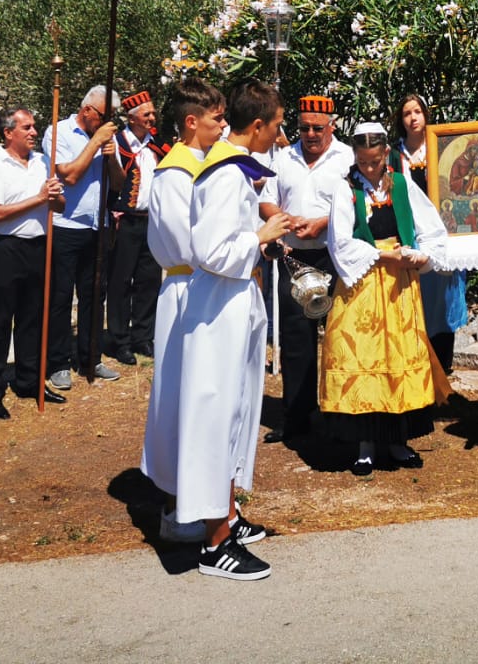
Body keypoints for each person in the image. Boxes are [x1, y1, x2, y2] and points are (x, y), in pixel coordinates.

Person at [182, 81, 290, 580]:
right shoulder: (226, 174)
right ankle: (214, 544)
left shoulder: (234, 169)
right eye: (277, 125)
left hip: (233, 302)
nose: (280, 134)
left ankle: (225, 517)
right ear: (258, 126)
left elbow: (232, 241)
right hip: (218, 309)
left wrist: (261, 244)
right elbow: (211, 250)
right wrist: (259, 236)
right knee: (217, 414)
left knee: (234, 413)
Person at [320, 121, 450, 477]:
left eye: (375, 162)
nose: (369, 168)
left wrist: (421, 254)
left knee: (399, 357)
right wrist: (382, 255)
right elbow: (340, 241)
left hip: (399, 286)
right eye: (362, 162)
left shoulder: (403, 185)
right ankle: (365, 446)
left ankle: (398, 441)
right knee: (365, 357)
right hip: (362, 284)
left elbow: (432, 229)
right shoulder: (346, 188)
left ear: (386, 154)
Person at [142, 78, 226, 545]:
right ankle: (179, 506)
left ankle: (212, 503)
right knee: (183, 394)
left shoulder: (205, 164)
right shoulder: (175, 173)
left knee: (205, 394)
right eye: (216, 118)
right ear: (191, 122)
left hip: (205, 285)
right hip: (186, 287)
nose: (223, 126)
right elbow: (186, 240)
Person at [262, 95, 352, 446]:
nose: (311, 135)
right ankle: (297, 418)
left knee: (341, 337)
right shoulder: (284, 157)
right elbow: (266, 201)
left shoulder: (346, 157)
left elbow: (357, 203)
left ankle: (342, 416)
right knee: (296, 340)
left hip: (335, 257)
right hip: (294, 258)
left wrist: (322, 223)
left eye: (318, 128)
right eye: (304, 128)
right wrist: (288, 220)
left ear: (332, 126)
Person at [0, 108, 66, 419]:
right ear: (8, 132)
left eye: (34, 126)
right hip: (7, 248)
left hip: (40, 245)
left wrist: (54, 196)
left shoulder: (43, 162)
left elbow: (60, 205)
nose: (34, 132)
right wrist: (39, 198)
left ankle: (29, 380)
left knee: (33, 318)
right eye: (27, 127)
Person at [45, 86, 123, 389]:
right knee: (61, 296)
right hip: (66, 225)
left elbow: (118, 183)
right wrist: (96, 143)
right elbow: (70, 175)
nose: (107, 122)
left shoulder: (105, 137)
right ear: (87, 110)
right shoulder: (59, 133)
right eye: (104, 116)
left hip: (97, 225)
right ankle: (58, 362)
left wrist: (112, 158)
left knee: (94, 296)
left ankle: (91, 358)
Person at [396, 94, 466, 375]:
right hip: (410, 233)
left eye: (417, 111)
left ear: (426, 114)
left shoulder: (442, 150)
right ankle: (416, 363)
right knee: (416, 297)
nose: (413, 118)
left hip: (442, 231)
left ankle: (442, 366)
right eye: (407, 113)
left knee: (443, 299)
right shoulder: (395, 155)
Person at [104, 91, 163, 365]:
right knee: (120, 281)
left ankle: (143, 336)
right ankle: (120, 340)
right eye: (146, 114)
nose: (152, 117)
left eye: (153, 113)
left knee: (148, 280)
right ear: (132, 118)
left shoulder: (157, 144)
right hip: (124, 220)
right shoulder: (117, 143)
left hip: (151, 220)